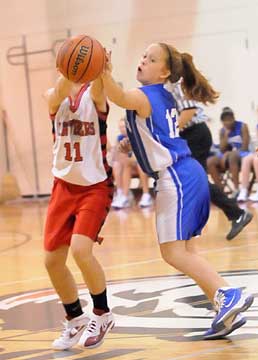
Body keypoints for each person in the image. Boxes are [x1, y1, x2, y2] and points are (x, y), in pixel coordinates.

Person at [101, 43, 253, 340]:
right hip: (188, 173)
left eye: (152, 59)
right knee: (187, 251)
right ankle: (223, 309)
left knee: (172, 252)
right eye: (143, 56)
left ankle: (227, 293)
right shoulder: (163, 97)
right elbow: (156, 130)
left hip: (177, 177)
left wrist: (104, 72)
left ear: (166, 72)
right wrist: (131, 141)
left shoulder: (146, 95)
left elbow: (117, 96)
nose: (143, 60)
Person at [44, 74, 115, 351]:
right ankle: (75, 318)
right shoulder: (54, 95)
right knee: (51, 261)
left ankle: (103, 313)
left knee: (81, 250)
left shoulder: (94, 96)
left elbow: (99, 90)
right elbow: (57, 92)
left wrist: (101, 69)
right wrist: (67, 68)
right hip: (63, 187)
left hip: (94, 186)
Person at [171, 83, 252, 241]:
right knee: (193, 180)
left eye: (149, 58)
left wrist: (170, 132)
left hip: (194, 134)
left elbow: (189, 110)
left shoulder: (174, 84)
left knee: (197, 180)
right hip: (189, 135)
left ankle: (237, 213)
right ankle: (235, 214)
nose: (144, 60)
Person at [207, 107, 250, 197]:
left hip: (243, 155)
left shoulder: (242, 126)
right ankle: (221, 191)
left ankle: (236, 189)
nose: (227, 122)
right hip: (227, 156)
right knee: (210, 161)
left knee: (232, 156)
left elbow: (245, 147)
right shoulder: (222, 131)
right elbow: (222, 150)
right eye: (225, 120)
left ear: (234, 118)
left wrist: (228, 154)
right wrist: (226, 136)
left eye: (229, 119)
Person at [110, 118, 153, 209]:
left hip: (142, 164)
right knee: (117, 164)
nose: (122, 129)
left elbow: (143, 155)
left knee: (139, 165)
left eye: (123, 127)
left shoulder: (137, 136)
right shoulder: (120, 138)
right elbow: (118, 156)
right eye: (120, 127)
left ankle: (146, 195)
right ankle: (122, 193)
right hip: (128, 165)